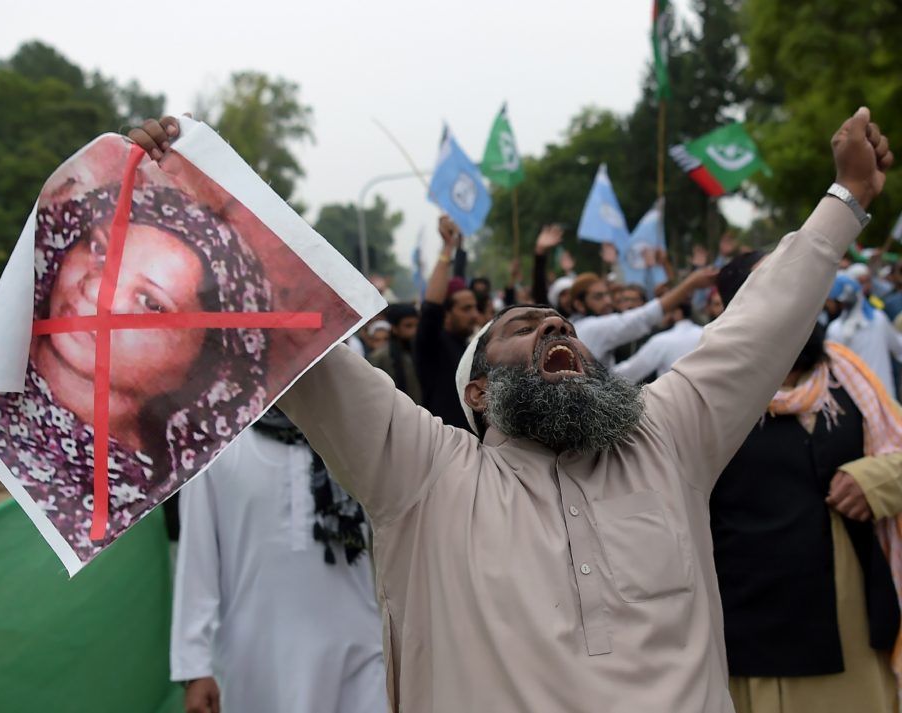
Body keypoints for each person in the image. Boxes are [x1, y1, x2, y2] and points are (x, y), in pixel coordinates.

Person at [135, 107, 894, 713]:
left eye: (559, 323)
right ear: (476, 393)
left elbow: (757, 325)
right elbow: (308, 344)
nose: (557, 327)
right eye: (525, 327)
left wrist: (846, 199)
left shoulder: (663, 438)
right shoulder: (425, 476)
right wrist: (198, 203)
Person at [0, 175, 271, 559]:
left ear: (208, 366)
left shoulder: (200, 481)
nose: (99, 291)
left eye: (150, 302)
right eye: (100, 250)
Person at [711, 254, 902, 713]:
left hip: (851, 627)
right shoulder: (705, 389)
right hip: (751, 634)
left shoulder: (848, 376)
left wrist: (876, 478)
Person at [170, 409, 386, 713]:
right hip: (256, 662)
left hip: (358, 650)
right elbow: (197, 558)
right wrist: (194, 667)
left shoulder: (347, 429)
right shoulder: (213, 441)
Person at [568, 267, 718, 368]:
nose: (608, 301)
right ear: (579, 305)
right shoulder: (590, 327)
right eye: (598, 297)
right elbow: (643, 317)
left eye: (607, 295)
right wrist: (690, 284)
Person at [413, 216, 480, 430]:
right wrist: (447, 248)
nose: (474, 315)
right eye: (465, 309)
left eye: (475, 308)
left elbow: (459, 276)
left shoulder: (468, 345)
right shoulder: (433, 344)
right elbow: (432, 307)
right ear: (447, 315)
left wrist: (460, 247)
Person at [825, 272, 902, 395]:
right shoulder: (878, 318)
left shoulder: (835, 329)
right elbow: (898, 348)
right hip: (884, 397)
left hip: (857, 398)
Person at [611, 302, 702, 383]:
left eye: (664, 311)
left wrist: (603, 372)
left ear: (678, 312)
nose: (660, 317)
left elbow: (630, 372)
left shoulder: (662, 340)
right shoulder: (705, 334)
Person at [368, 302, 422, 404]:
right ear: (395, 328)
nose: (414, 331)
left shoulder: (420, 352)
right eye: (408, 326)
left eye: (416, 325)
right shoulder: (379, 356)